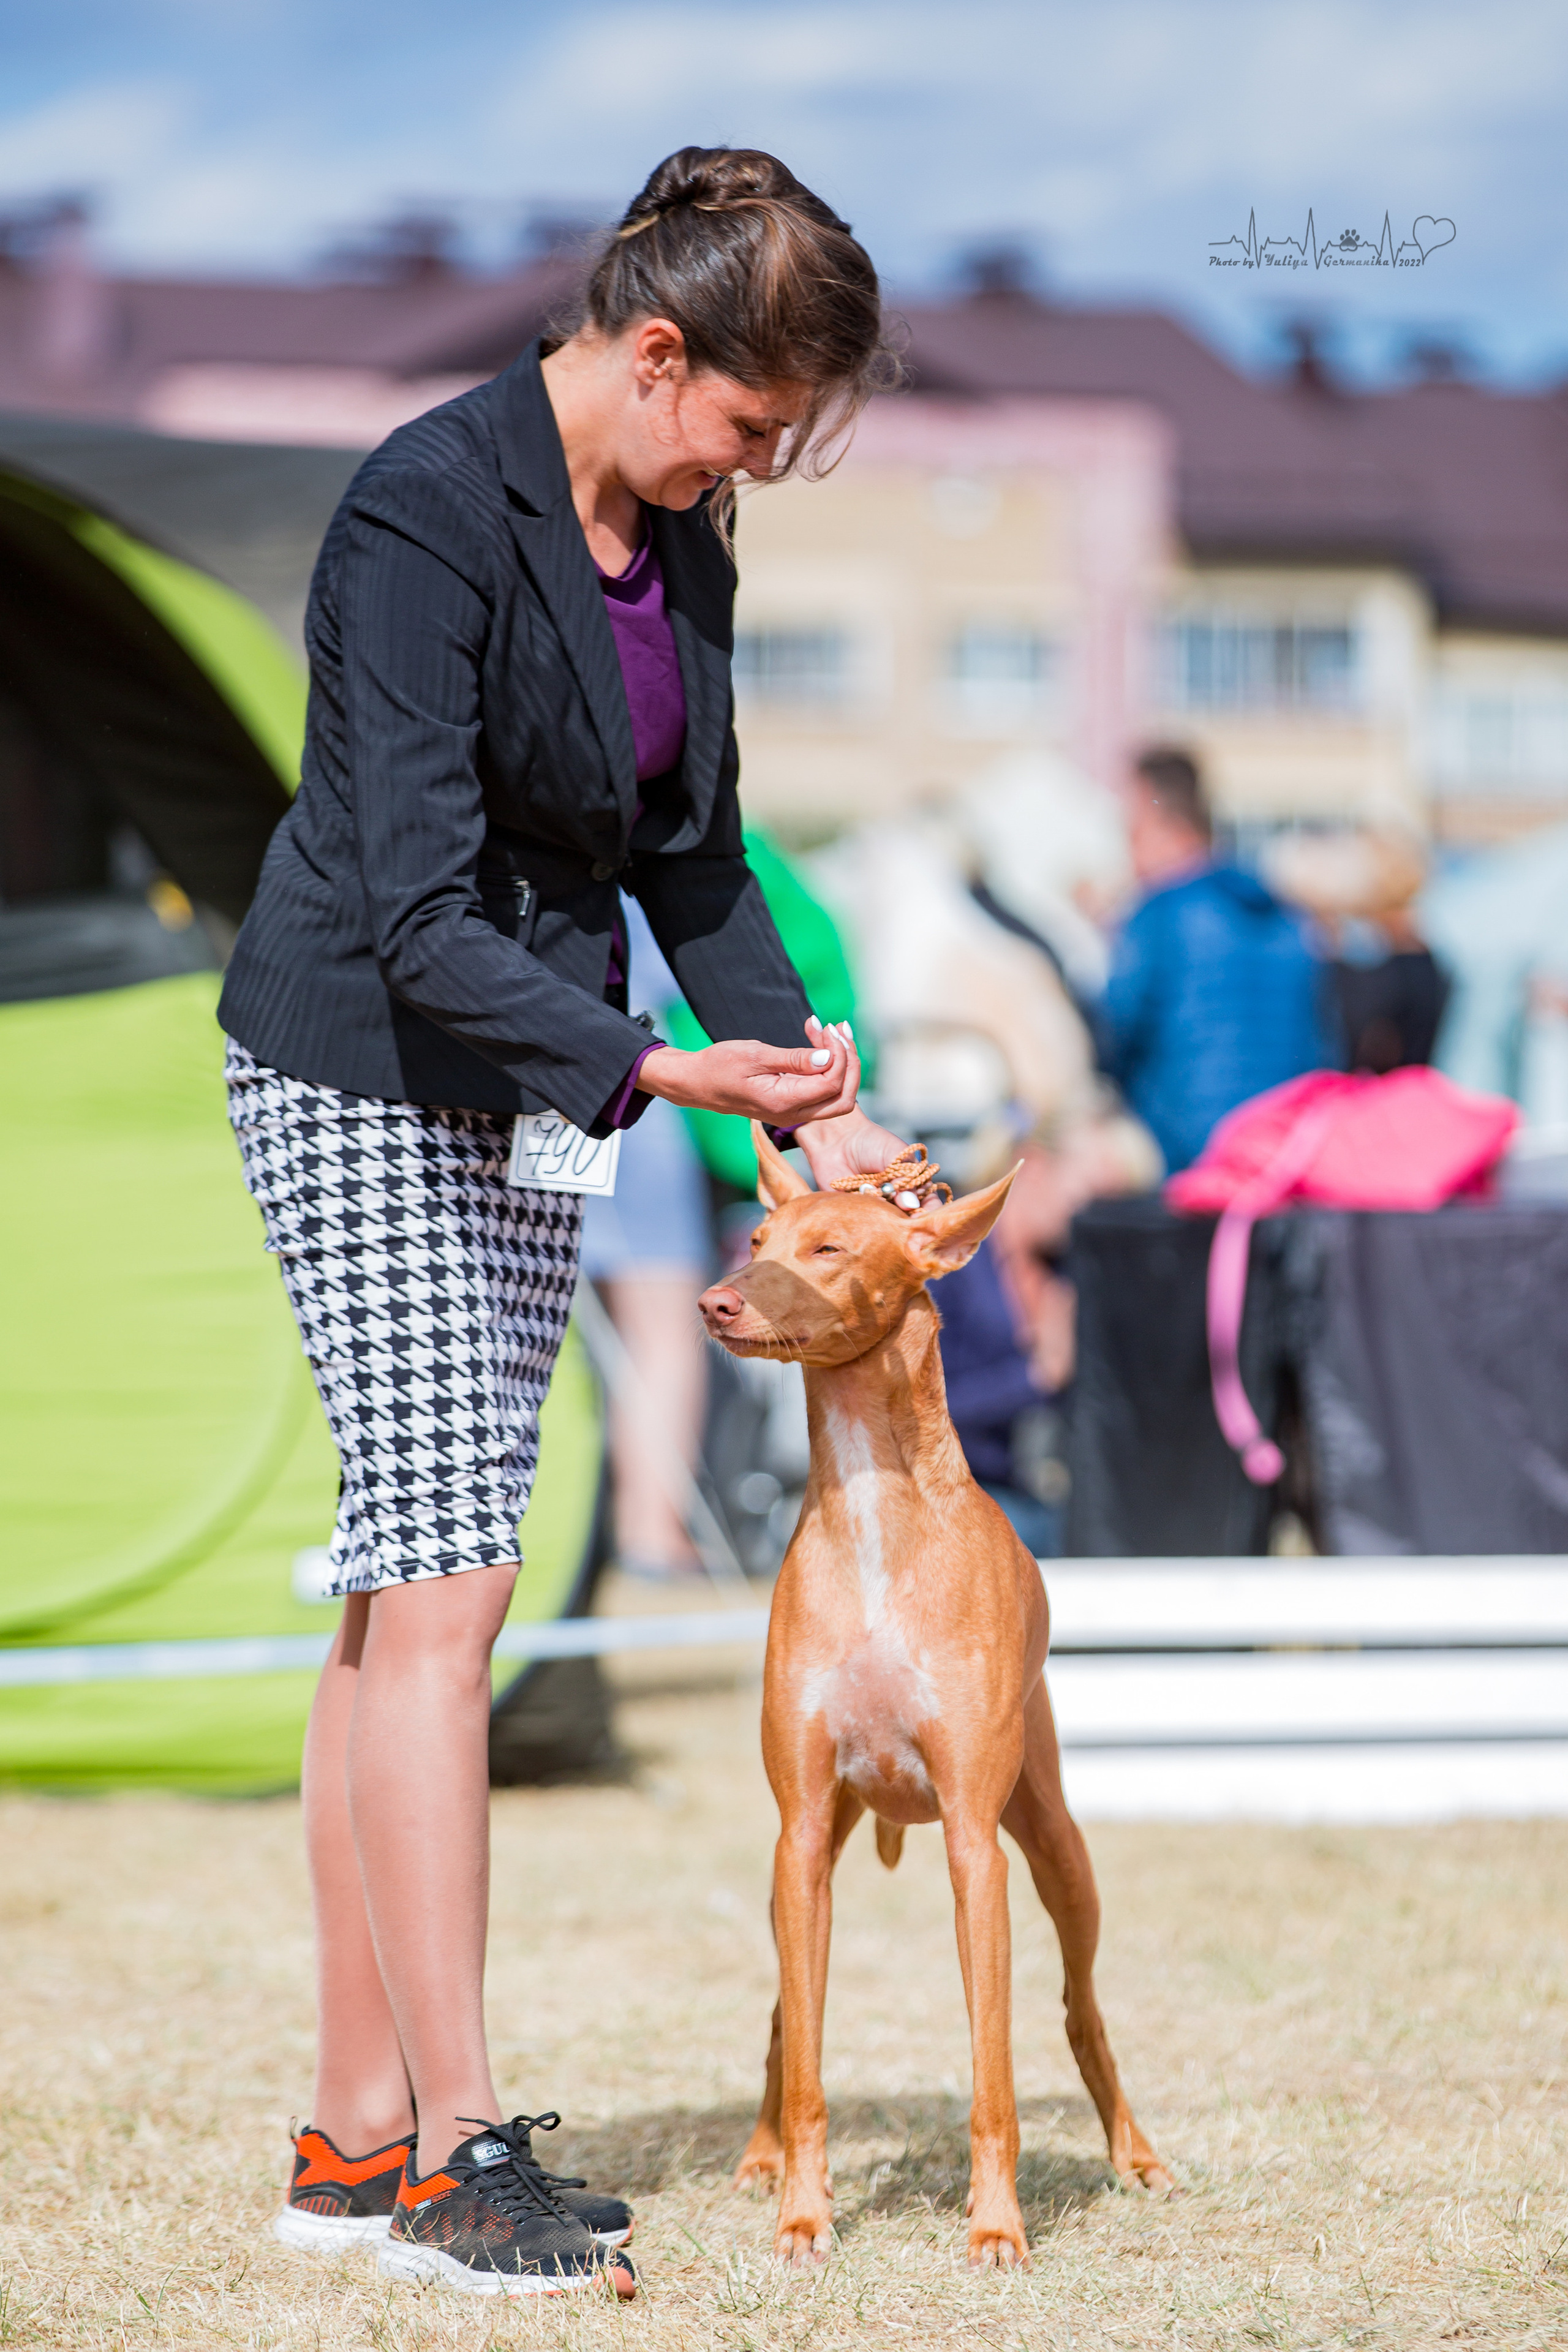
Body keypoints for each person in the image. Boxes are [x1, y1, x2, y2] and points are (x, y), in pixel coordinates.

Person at [217, 146, 905, 2301]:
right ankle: (457, 2163)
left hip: (537, 1084)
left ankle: (353, 2134)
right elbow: (414, 907)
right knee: (453, 1580)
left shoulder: (679, 540)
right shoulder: (424, 512)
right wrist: (660, 1072)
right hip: (359, 1058)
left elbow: (691, 853)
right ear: (655, 352)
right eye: (749, 424)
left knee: (400, 1593)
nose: (754, 468)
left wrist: (799, 1083)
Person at [1098, 747, 1331, 1173]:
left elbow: (1113, 1034)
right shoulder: (1287, 916)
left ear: (1159, 822)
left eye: (1131, 832)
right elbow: (1322, 1046)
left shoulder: (1159, 913)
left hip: (1187, 1157)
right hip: (1280, 1153)